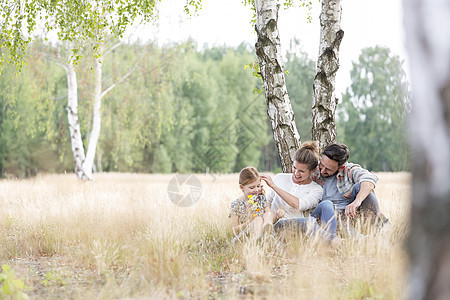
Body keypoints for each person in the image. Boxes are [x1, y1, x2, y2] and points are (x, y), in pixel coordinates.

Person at [261, 141, 339, 243]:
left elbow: (298, 205)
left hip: (299, 228)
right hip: (279, 225)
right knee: (309, 222)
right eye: (294, 168)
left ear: (313, 170)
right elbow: (267, 203)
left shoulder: (316, 189)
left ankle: (331, 243)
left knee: (327, 204)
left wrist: (274, 187)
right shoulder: (280, 178)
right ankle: (334, 242)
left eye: (302, 171)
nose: (296, 173)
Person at [311, 142, 389, 234]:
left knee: (361, 186)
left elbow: (370, 179)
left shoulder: (349, 170)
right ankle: (364, 240)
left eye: (328, 169)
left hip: (351, 214)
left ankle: (375, 230)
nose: (322, 170)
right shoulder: (313, 172)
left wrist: (357, 202)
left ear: (341, 167)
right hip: (331, 217)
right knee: (338, 220)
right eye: (322, 165)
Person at [229, 166, 284, 240]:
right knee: (258, 219)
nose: (256, 190)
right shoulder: (236, 205)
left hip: (264, 236)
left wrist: (277, 215)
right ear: (242, 187)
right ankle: (257, 240)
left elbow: (270, 218)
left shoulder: (261, 199)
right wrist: (249, 222)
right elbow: (234, 231)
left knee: (268, 214)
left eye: (258, 186)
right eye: (252, 188)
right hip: (244, 238)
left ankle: (266, 234)